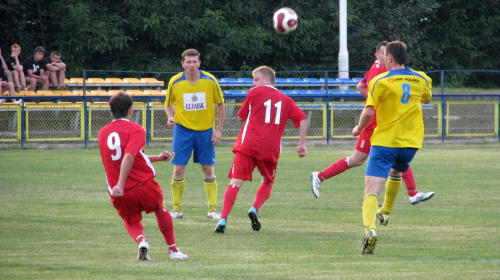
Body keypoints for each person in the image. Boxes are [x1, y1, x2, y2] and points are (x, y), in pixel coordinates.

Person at [310, 41, 434, 205]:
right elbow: (367, 90)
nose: (385, 56)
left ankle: (411, 193)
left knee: (390, 155)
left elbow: (360, 86)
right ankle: (320, 176)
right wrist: (375, 104)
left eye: (386, 53)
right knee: (360, 159)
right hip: (374, 123)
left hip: (382, 122)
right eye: (382, 53)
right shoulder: (378, 70)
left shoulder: (385, 71)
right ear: (378, 55)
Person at [350, 41, 432, 254]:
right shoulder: (422, 78)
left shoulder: (379, 80)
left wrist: (358, 128)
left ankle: (371, 229)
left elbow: (368, 112)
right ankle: (385, 212)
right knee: (397, 171)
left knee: (370, 191)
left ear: (389, 58)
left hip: (385, 142)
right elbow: (426, 98)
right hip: (410, 144)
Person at [214, 66, 308, 234]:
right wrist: (301, 144)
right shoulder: (286, 100)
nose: (253, 83)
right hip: (270, 148)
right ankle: (255, 208)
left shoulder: (254, 93)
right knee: (267, 181)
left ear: (266, 80)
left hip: (248, 145)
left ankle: (223, 218)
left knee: (235, 182)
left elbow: (240, 117)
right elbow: (302, 119)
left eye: (256, 80)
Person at [98, 92, 188, 260]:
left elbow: (132, 157)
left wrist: (158, 159)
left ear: (111, 111)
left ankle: (141, 241)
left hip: (120, 192)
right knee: (160, 209)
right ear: (131, 111)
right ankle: (173, 250)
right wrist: (121, 183)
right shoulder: (137, 130)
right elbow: (129, 156)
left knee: (131, 220)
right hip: (143, 185)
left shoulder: (102, 133)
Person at [164, 48, 226, 219]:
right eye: (188, 62)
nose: (191, 65)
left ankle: (213, 209)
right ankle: (176, 209)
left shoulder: (210, 81)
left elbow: (221, 104)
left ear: (200, 63)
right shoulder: (175, 82)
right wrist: (170, 117)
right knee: (178, 170)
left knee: (208, 169)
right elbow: (168, 104)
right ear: (182, 64)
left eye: (194, 62)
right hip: (182, 131)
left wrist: (219, 129)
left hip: (205, 132)